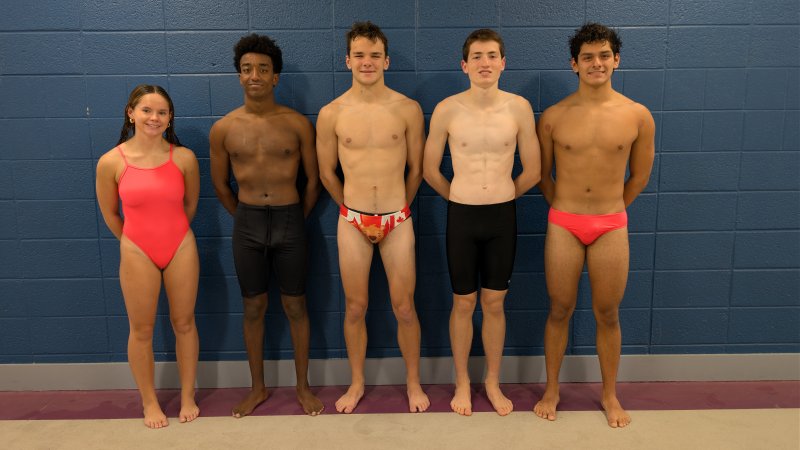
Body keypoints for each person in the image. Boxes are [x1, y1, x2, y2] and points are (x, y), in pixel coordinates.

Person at [533, 23, 655, 428]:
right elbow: (543, 177)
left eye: (604, 55)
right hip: (564, 222)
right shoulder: (553, 117)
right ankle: (552, 388)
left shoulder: (637, 115)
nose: (596, 63)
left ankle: (609, 394)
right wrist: (565, 210)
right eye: (588, 57)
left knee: (607, 312)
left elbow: (638, 176)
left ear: (616, 60)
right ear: (574, 64)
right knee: (560, 309)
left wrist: (611, 209)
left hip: (611, 224)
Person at [423, 29, 541, 417]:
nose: (485, 63)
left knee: (494, 302)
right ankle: (461, 381)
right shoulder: (447, 109)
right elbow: (429, 171)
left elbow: (534, 171)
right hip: (462, 214)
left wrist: (501, 196)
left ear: (503, 63)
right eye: (477, 56)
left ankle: (491, 380)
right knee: (463, 302)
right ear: (464, 65)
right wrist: (462, 196)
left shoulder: (519, 108)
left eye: (492, 55)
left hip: (501, 216)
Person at [316, 21, 429, 414]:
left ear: (387, 60)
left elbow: (416, 168)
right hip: (352, 221)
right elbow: (327, 172)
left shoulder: (407, 109)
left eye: (375, 55)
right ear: (348, 60)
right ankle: (357, 383)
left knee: (404, 307)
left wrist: (400, 208)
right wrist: (348, 209)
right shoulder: (331, 113)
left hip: (398, 219)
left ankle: (413, 382)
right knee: (354, 306)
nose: (367, 62)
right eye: (360, 55)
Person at [209, 34, 323, 417]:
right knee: (253, 307)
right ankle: (257, 388)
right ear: (238, 76)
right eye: (246, 69)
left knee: (296, 306)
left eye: (262, 69)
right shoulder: (223, 128)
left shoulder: (297, 124)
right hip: (248, 223)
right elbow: (221, 186)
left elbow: (313, 182)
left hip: (291, 220)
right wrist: (245, 214)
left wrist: (294, 217)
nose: (254, 75)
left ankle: (303, 387)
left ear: (275, 77)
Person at [96, 85, 201, 428]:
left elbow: (189, 206)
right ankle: (150, 401)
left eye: (162, 112)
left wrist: (172, 234)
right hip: (136, 249)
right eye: (146, 111)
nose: (154, 118)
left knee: (184, 323)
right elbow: (111, 213)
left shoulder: (183, 158)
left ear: (170, 118)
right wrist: (132, 242)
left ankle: (188, 395)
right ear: (131, 113)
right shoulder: (111, 161)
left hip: (180, 245)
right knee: (141, 330)